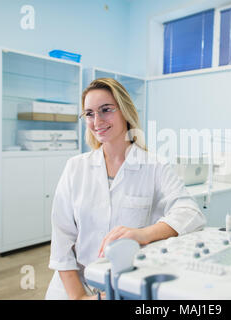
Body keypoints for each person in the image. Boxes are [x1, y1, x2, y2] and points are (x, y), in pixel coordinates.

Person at [45, 78, 206, 300]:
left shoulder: (154, 166)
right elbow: (62, 239)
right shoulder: (76, 167)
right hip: (75, 284)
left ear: (125, 112)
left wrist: (141, 234)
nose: (97, 120)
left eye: (106, 110)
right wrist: (79, 297)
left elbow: (190, 212)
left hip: (126, 281)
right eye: (89, 114)